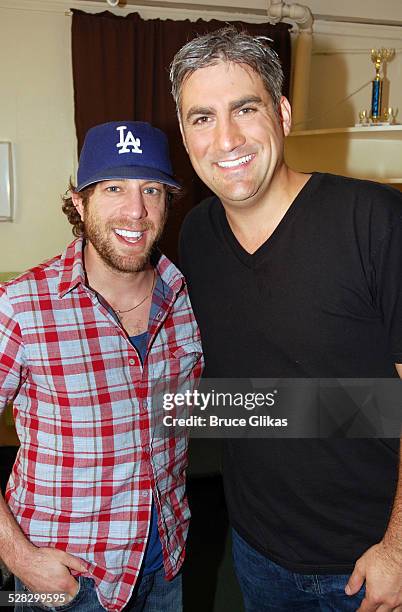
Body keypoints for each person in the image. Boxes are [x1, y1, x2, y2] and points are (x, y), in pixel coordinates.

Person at [170, 27, 402, 611]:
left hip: (368, 562)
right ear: (184, 134)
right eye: (202, 117)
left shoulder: (374, 222)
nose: (226, 138)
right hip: (257, 553)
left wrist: (397, 548)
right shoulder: (196, 235)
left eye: (245, 109)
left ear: (283, 113)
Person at [0, 120, 203, 612]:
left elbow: (193, 412)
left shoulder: (189, 300)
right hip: (60, 578)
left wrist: (360, 411)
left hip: (164, 568)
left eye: (150, 189)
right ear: (79, 201)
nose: (135, 210)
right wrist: (20, 557)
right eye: (113, 188)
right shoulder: (21, 306)